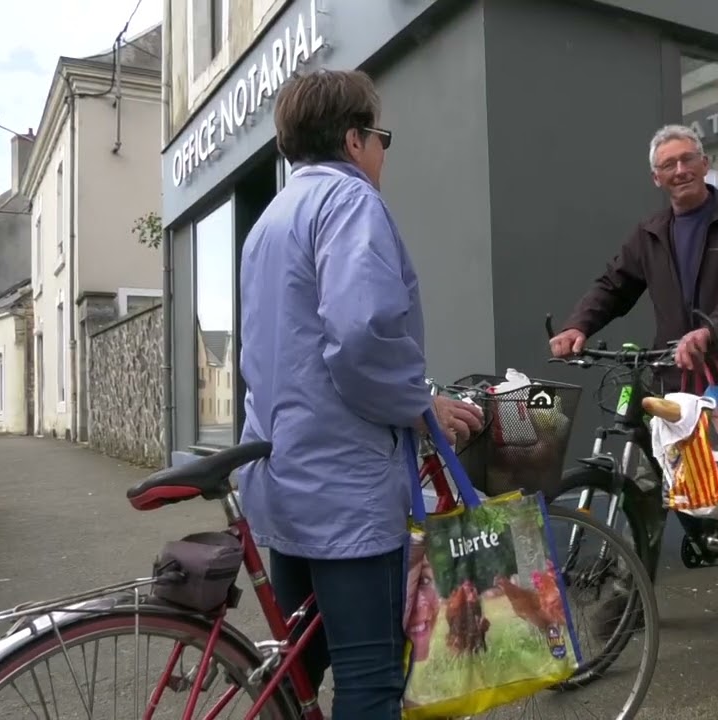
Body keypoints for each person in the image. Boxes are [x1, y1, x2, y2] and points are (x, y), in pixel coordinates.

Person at [236, 69, 483, 720]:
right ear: (354, 139)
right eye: (382, 137)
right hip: (344, 489)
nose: (382, 152)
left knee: (296, 672)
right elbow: (362, 336)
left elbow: (280, 351)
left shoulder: (270, 220)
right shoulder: (350, 203)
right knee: (370, 680)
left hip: (282, 481)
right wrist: (420, 405)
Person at [549, 124, 718, 583]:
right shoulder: (652, 233)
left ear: (705, 164)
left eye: (687, 160)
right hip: (671, 375)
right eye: (667, 166)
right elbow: (614, 285)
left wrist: (710, 331)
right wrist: (579, 325)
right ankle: (629, 597)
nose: (680, 171)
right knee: (652, 478)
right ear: (656, 178)